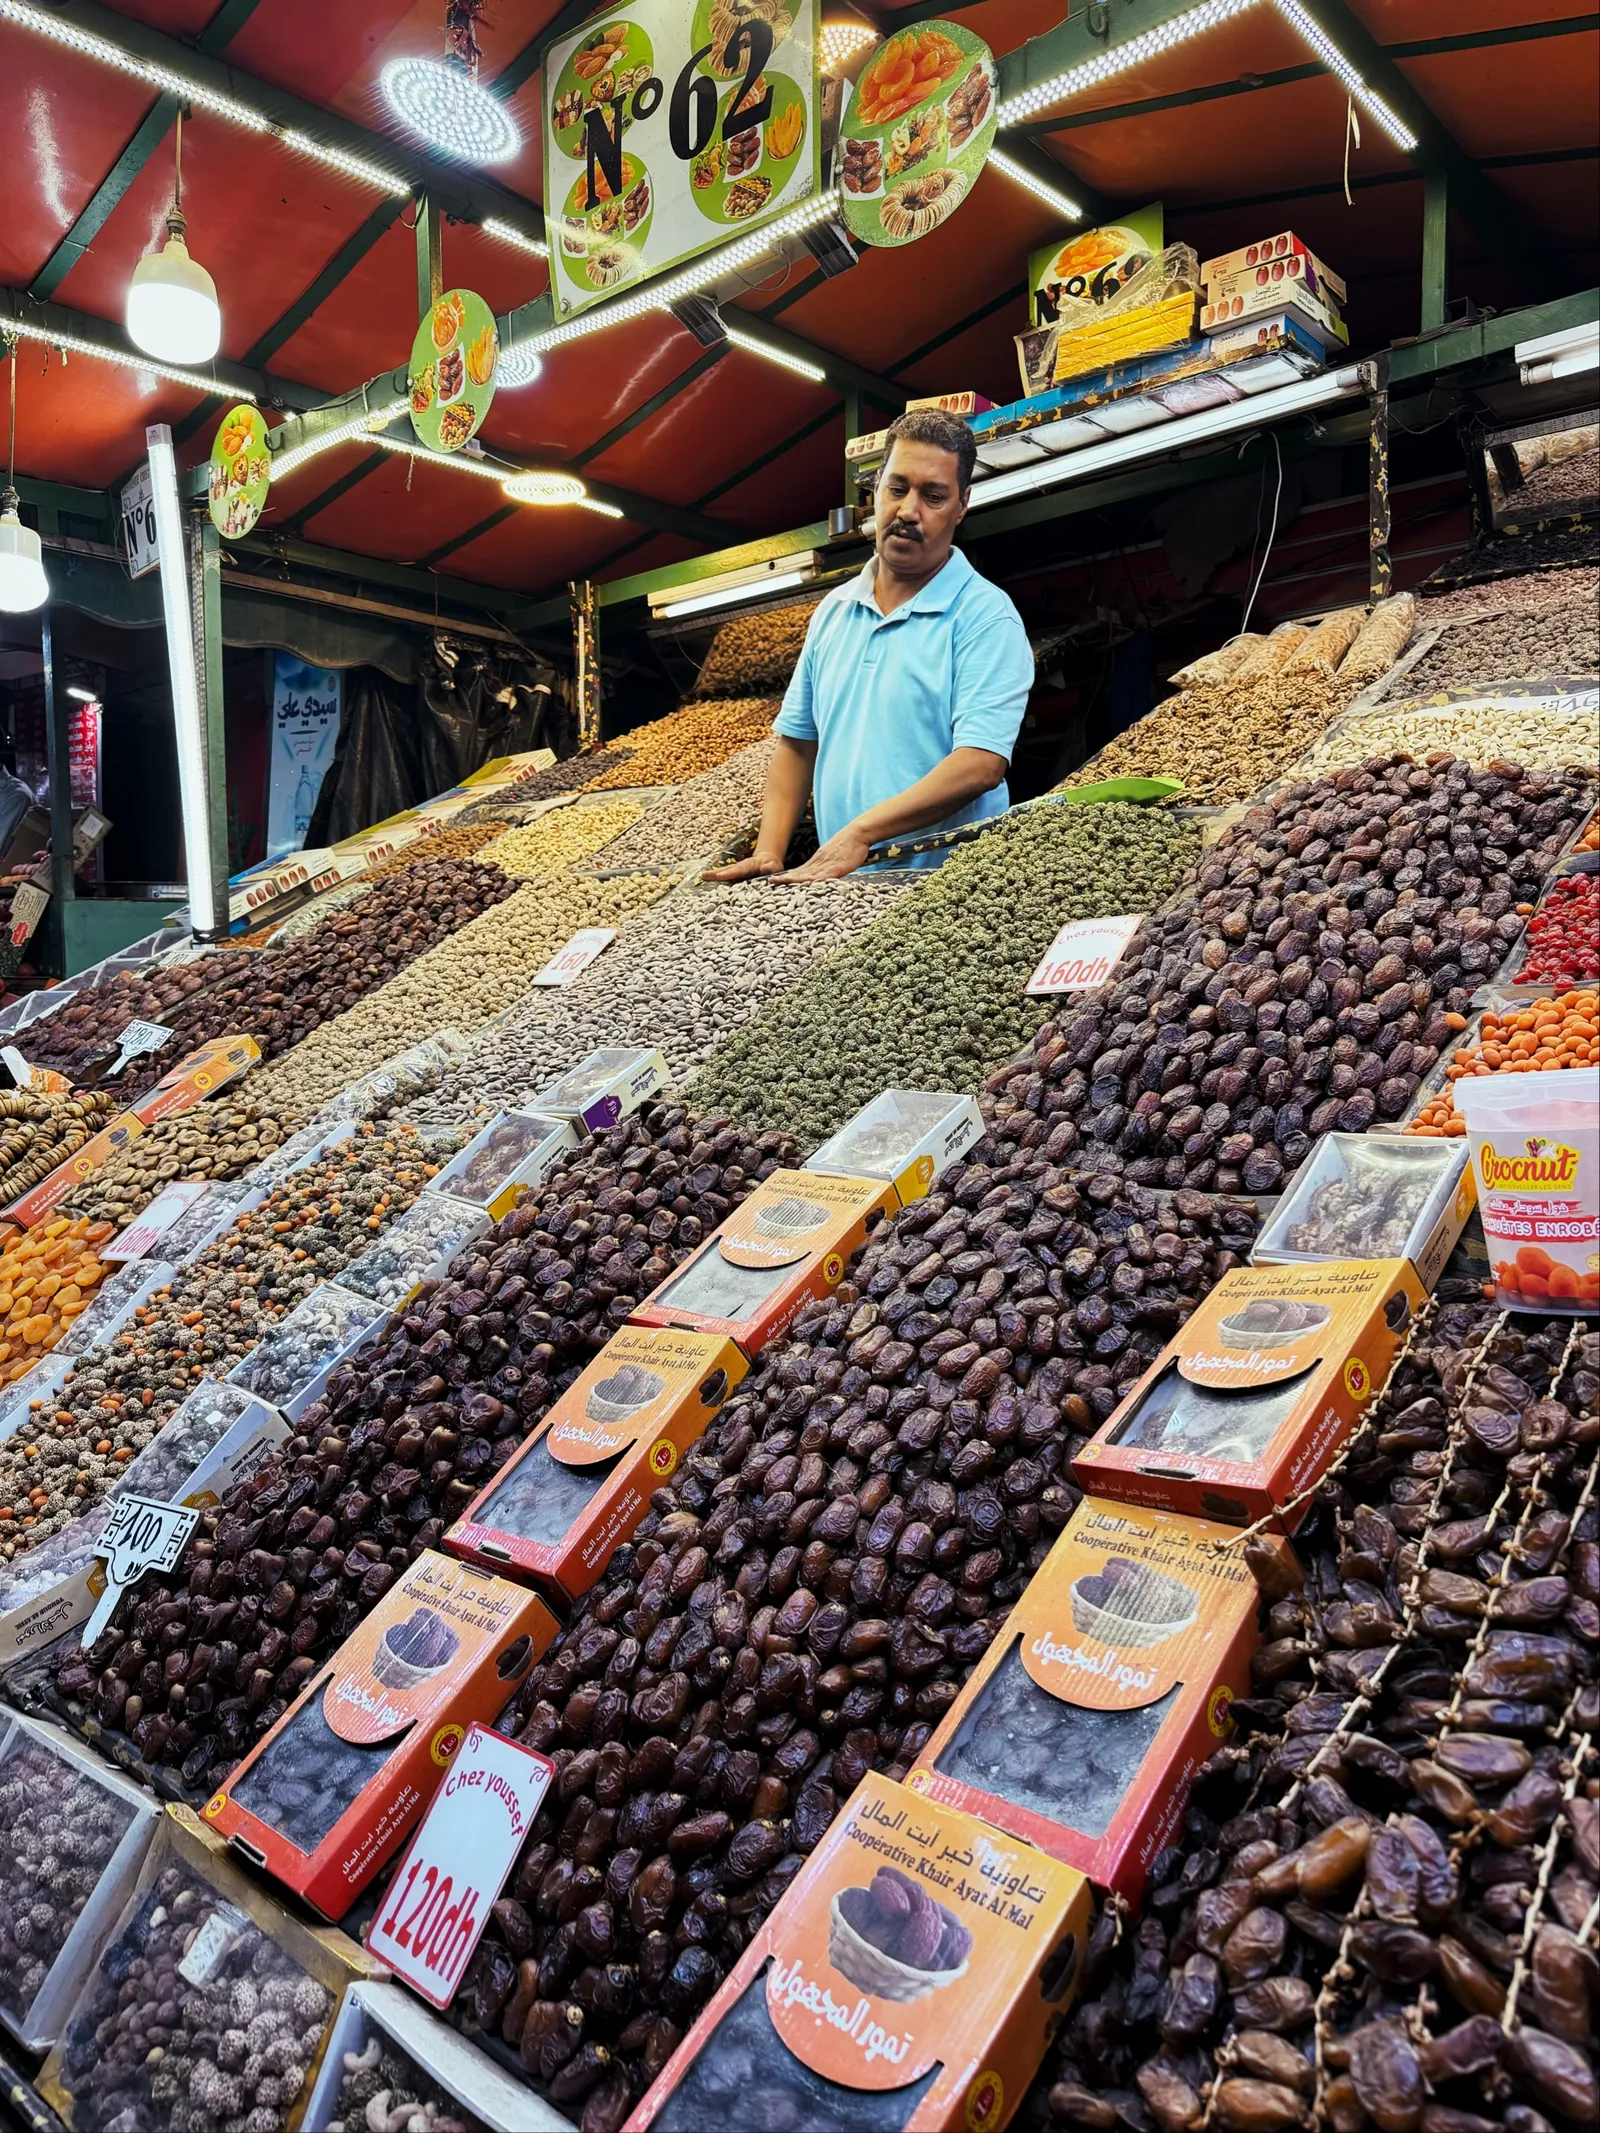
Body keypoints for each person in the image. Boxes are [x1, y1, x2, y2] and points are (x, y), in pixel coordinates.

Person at [705, 407, 1032, 881]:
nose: (908, 512)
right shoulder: (834, 611)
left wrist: (861, 834)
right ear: (875, 488)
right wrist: (769, 849)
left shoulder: (984, 616)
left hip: (948, 887)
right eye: (897, 489)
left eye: (933, 496)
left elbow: (979, 764)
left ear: (962, 505)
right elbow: (797, 743)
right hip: (842, 886)